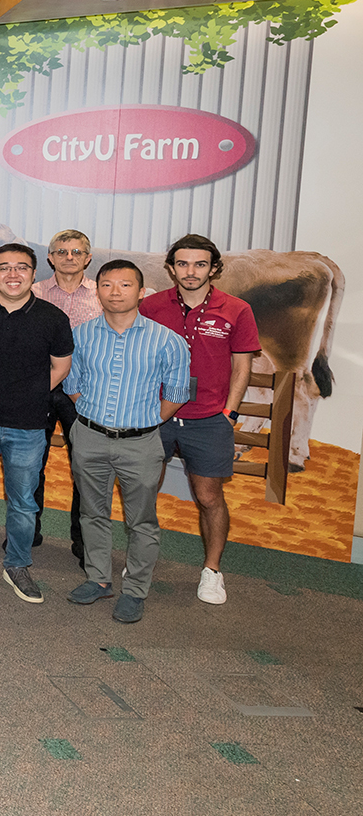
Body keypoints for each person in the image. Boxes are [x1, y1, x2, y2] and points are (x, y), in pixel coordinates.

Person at [63, 260, 192, 624]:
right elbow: (74, 385)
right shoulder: (82, 334)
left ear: (141, 291)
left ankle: (135, 590)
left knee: (142, 522)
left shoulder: (167, 341)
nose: (115, 292)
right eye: (107, 285)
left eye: (124, 285)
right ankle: (98, 578)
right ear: (98, 289)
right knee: (92, 513)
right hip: (89, 437)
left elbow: (178, 393)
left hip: (141, 443)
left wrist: (144, 421)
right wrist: (94, 417)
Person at [140, 234, 260, 606]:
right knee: (143, 492)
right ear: (171, 267)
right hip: (154, 415)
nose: (190, 272)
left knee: (209, 496)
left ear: (214, 268)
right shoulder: (150, 306)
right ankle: (140, 562)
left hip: (208, 419)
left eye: (199, 264)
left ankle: (211, 571)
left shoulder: (237, 309)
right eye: (182, 263)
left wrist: (231, 413)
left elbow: (242, 363)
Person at [0, 244, 73, 604]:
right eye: (3, 268)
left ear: (34, 274)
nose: (12, 274)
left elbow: (61, 366)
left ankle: (18, 563)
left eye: (21, 267)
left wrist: (30, 394)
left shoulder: (52, 318)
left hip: (28, 426)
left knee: (22, 501)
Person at [30, 229, 103, 565]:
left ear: (88, 258)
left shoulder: (103, 295)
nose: (69, 257)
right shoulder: (33, 292)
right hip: (40, 387)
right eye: (61, 251)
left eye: (76, 252)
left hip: (85, 393)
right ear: (50, 257)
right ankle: (27, 530)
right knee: (31, 463)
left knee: (85, 467)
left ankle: (82, 538)